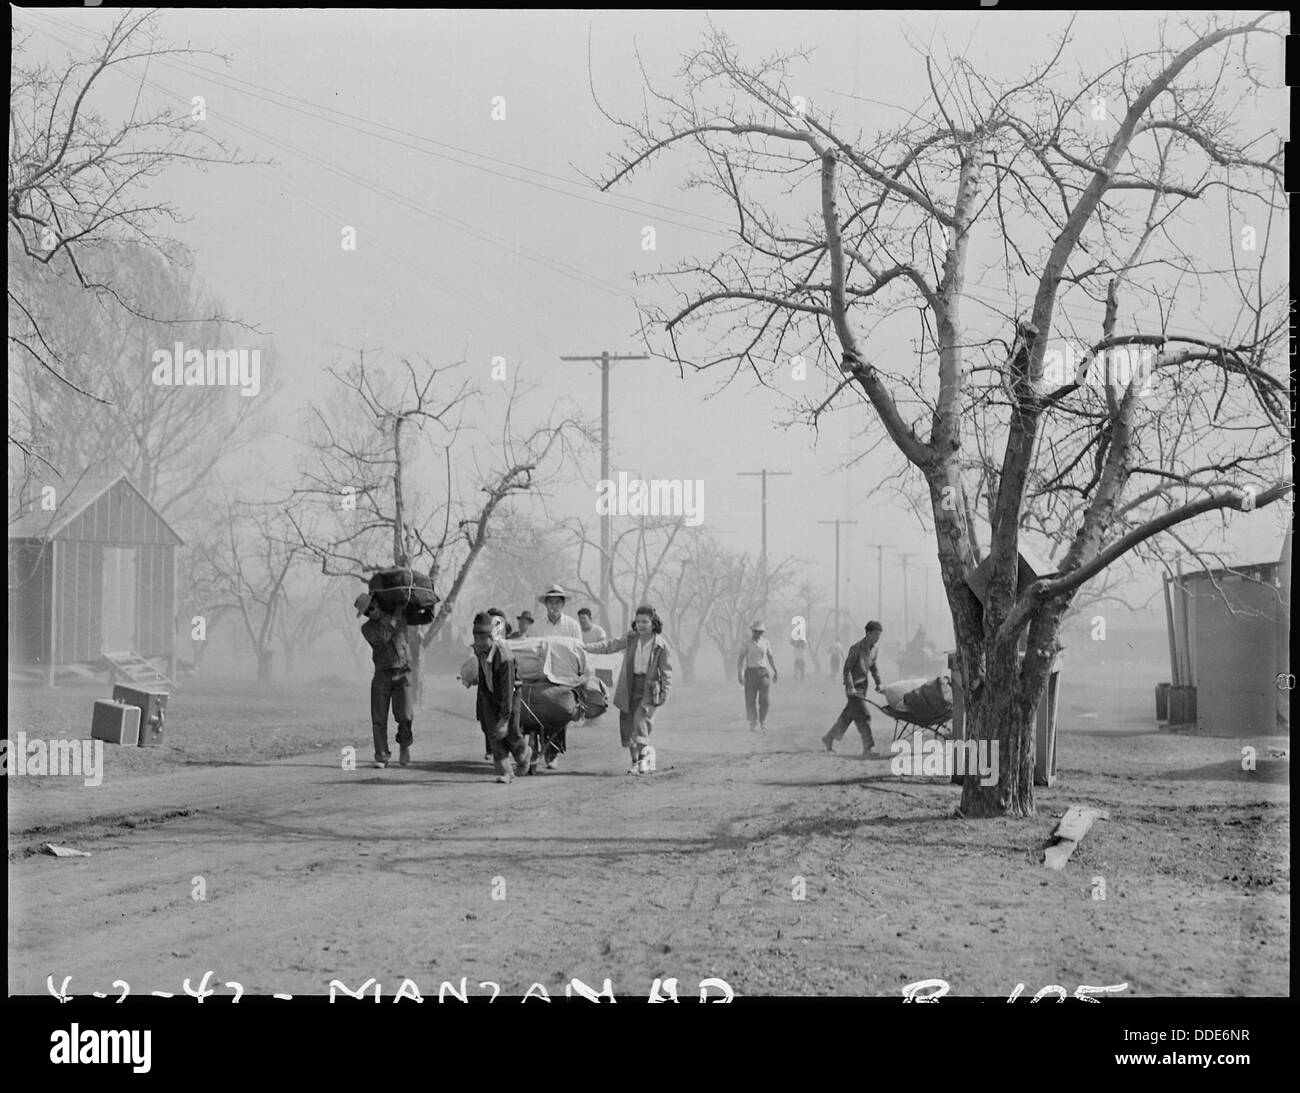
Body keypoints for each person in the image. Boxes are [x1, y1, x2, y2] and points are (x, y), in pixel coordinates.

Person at [582, 604, 672, 774]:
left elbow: (667, 672)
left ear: (653, 623)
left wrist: (663, 694)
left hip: (649, 688)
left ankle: (643, 761)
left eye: (645, 621)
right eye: (638, 621)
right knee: (628, 724)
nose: (641, 625)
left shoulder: (661, 645)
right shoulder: (631, 638)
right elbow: (610, 646)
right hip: (629, 686)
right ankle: (635, 762)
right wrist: (586, 648)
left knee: (640, 722)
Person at [471, 611, 532, 784]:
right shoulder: (479, 650)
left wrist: (505, 718)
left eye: (484, 638)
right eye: (477, 638)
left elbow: (507, 689)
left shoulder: (504, 657)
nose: (480, 642)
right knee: (494, 733)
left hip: (510, 693)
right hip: (489, 694)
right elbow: (483, 675)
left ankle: (524, 754)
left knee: (511, 732)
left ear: (492, 636)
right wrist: (482, 703)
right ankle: (506, 771)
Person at [356, 591, 414, 769]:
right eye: (366, 613)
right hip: (382, 674)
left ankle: (404, 746)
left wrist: (398, 611)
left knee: (404, 714)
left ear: (377, 603)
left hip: (403, 671)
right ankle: (381, 755)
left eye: (371, 609)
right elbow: (383, 636)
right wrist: (395, 617)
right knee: (379, 717)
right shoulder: (367, 629)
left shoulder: (397, 616)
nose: (370, 614)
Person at [823, 621, 885, 756]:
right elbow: (847, 670)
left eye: (879, 635)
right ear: (867, 633)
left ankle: (829, 738)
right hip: (854, 688)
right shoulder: (856, 648)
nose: (877, 638)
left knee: (848, 716)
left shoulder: (875, 649)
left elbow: (873, 666)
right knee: (864, 716)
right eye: (875, 635)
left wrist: (878, 683)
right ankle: (868, 749)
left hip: (863, 687)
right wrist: (850, 687)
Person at [737, 621, 779, 733]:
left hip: (763, 672)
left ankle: (763, 721)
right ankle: (753, 723)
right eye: (756, 631)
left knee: (765, 700)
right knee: (750, 700)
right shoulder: (747, 643)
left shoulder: (766, 642)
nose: (758, 634)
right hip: (750, 672)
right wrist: (739, 674)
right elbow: (740, 659)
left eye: (760, 632)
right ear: (752, 631)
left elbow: (770, 657)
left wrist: (775, 670)